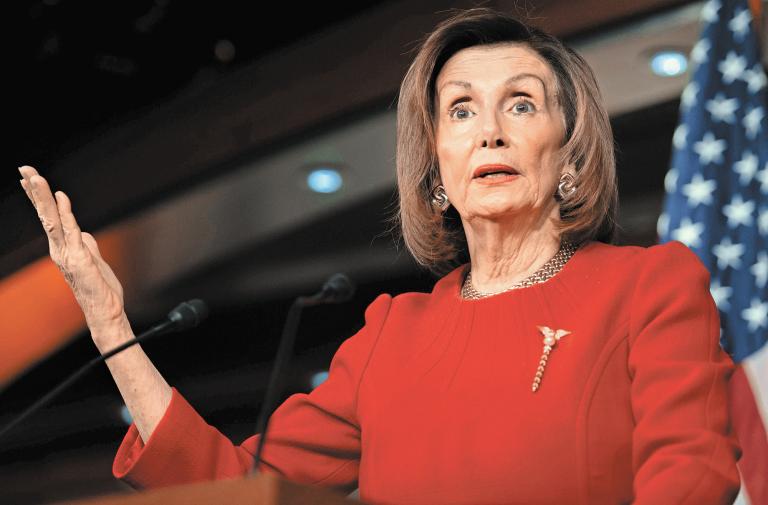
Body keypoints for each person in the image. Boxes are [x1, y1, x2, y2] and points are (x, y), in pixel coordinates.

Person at [18, 7, 741, 505]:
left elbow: (690, 476)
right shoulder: (392, 334)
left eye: (521, 104)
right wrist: (109, 321)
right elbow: (232, 479)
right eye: (460, 109)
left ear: (572, 153)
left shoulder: (649, 286)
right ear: (435, 165)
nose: (489, 130)